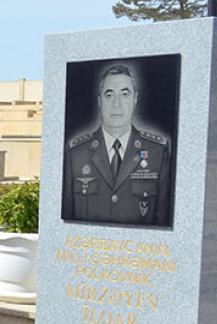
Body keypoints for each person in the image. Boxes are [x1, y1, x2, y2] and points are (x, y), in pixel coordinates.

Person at [62, 63, 173, 226]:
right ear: (100, 101)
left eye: (124, 94)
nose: (116, 104)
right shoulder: (76, 152)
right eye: (109, 95)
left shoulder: (157, 152)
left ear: (135, 99)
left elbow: (163, 217)